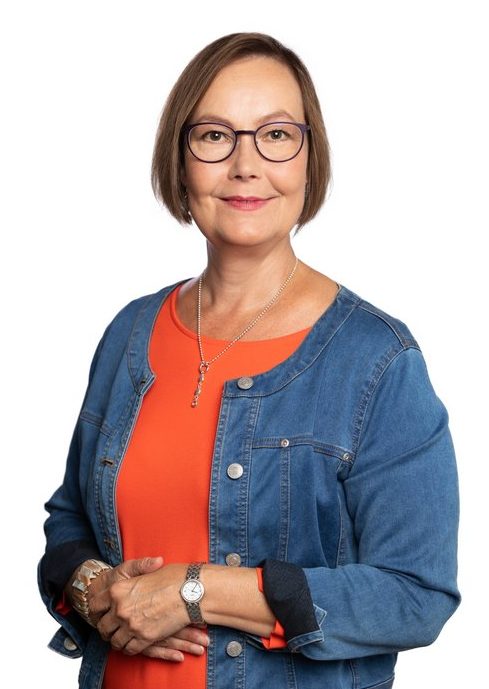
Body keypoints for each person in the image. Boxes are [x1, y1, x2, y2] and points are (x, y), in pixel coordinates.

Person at [38, 32, 460, 689]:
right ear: (180, 161)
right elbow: (71, 519)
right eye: (213, 135)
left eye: (275, 134)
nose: (245, 164)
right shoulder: (129, 333)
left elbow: (414, 594)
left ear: (307, 158)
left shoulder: (377, 360)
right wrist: (94, 588)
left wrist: (195, 589)